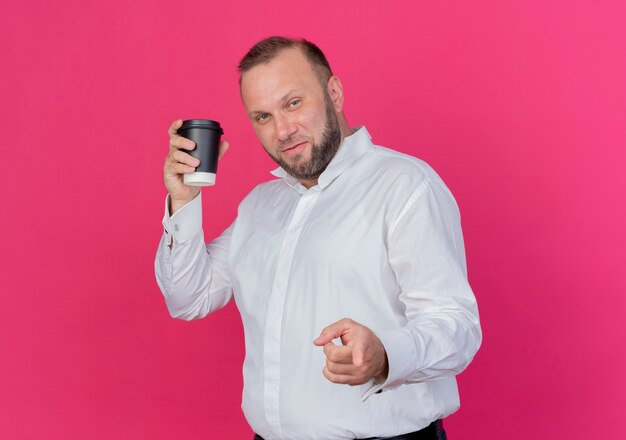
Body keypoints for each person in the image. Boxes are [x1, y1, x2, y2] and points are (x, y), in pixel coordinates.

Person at [155, 36, 482, 440]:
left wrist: (384, 355)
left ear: (334, 93)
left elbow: (457, 327)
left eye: (294, 103)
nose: (283, 130)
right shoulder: (260, 206)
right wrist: (183, 199)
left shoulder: (406, 186)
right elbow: (188, 297)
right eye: (262, 117)